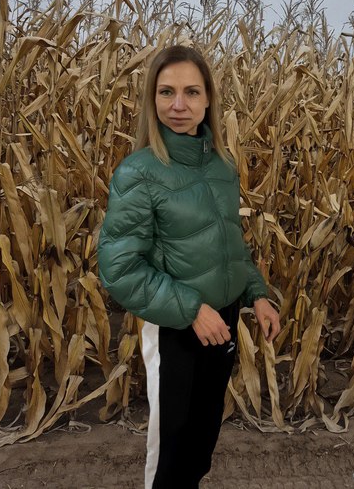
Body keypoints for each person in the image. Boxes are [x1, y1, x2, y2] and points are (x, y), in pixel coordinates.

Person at [97, 45, 280, 488]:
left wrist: (257, 293)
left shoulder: (221, 166)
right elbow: (120, 268)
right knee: (171, 454)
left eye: (191, 92)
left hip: (222, 323)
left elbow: (230, 246)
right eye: (166, 92)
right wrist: (192, 309)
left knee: (201, 442)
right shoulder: (138, 173)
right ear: (152, 99)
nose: (178, 105)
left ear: (208, 98)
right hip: (176, 329)